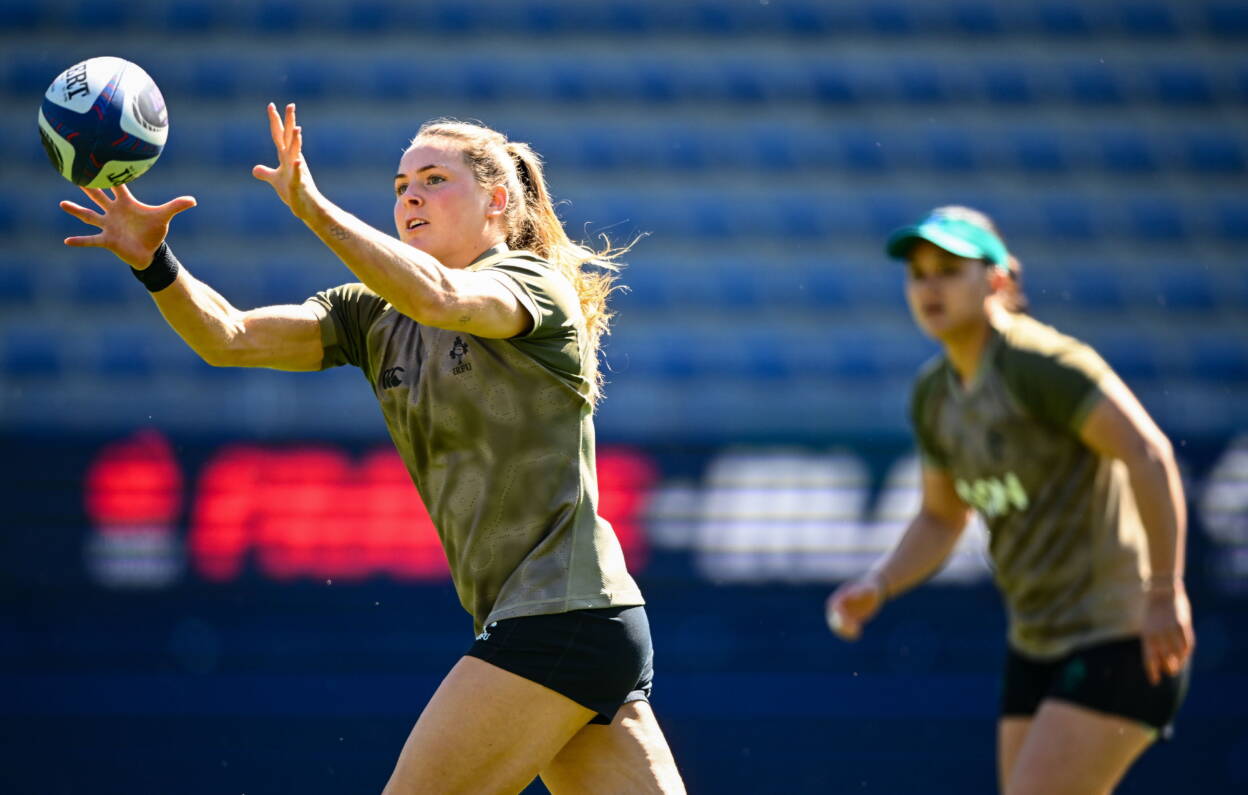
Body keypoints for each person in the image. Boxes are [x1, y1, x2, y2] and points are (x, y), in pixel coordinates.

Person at [59, 103, 685, 795]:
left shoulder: (531, 285)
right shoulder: (369, 313)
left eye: (434, 179)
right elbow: (228, 335)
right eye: (399, 185)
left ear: (497, 201)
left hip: (558, 617)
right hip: (586, 627)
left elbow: (440, 296)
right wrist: (156, 264)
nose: (409, 194)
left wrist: (313, 208)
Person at [826, 206, 1194, 795]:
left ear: (996, 280)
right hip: (1036, 643)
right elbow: (942, 516)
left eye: (949, 269)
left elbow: (1148, 455)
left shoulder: (1038, 364)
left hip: (1120, 635)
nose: (929, 287)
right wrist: (882, 582)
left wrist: (1162, 591)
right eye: (918, 274)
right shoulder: (933, 394)